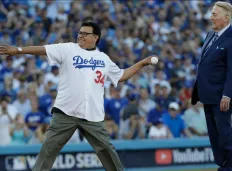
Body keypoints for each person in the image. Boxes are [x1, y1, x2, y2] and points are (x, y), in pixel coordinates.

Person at [0, 21, 158, 171]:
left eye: (85, 33)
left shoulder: (103, 58)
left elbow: (122, 75)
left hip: (92, 115)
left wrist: (142, 63)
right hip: (65, 112)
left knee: (107, 151)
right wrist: (19, 50)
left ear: (95, 37)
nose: (80, 35)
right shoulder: (68, 48)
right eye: (80, 32)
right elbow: (43, 49)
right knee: (48, 151)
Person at [191, 2, 232, 171]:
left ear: (226, 18)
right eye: (211, 13)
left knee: (223, 132)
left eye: (214, 14)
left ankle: (230, 166)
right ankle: (222, 165)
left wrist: (227, 95)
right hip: (208, 94)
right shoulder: (210, 35)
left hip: (221, 96)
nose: (210, 17)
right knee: (214, 134)